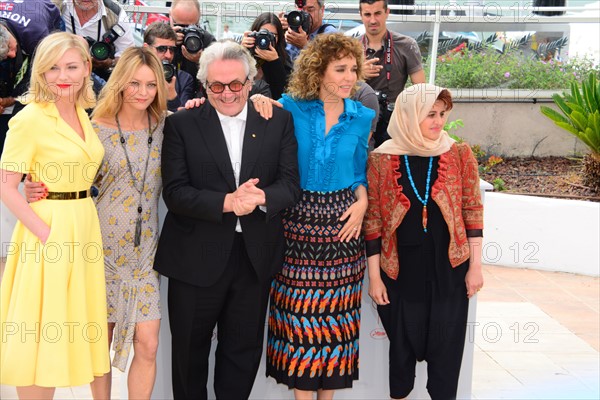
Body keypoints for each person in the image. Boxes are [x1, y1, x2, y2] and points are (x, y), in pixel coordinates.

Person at [153, 40, 300, 400]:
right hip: (194, 257)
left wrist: (261, 197)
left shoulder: (276, 118)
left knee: (243, 353)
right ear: (204, 86)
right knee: (188, 354)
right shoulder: (183, 123)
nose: (228, 93)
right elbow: (175, 192)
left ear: (251, 81)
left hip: (253, 258)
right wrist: (228, 203)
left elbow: (290, 186)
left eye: (236, 84)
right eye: (217, 86)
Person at [24, 46, 169, 400]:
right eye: (134, 83)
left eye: (151, 85)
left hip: (145, 255)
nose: (142, 92)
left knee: (148, 343)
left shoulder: (168, 127)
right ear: (119, 83)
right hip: (99, 250)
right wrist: (33, 184)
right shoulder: (93, 130)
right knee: (97, 349)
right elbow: (58, 169)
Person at [265, 33, 375, 400]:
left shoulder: (363, 117)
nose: (349, 77)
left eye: (353, 69)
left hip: (344, 227)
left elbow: (359, 171)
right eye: (340, 69)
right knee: (299, 322)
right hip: (296, 225)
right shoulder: (291, 106)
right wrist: (254, 98)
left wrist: (362, 201)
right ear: (319, 70)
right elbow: (255, 112)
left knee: (336, 326)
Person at [0, 31, 109, 399]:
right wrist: (45, 234)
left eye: (71, 66)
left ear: (86, 68)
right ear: (41, 74)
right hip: (47, 230)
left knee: (67, 325)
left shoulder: (81, 112)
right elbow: (5, 187)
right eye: (52, 68)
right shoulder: (30, 117)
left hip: (83, 225)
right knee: (38, 328)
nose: (62, 75)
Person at [363, 83, 484, 399]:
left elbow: (473, 211)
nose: (438, 121)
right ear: (408, 115)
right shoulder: (381, 159)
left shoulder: (458, 153)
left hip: (450, 269)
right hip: (400, 270)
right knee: (402, 350)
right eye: (430, 114)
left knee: (447, 352)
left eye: (443, 114)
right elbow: (373, 220)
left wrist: (476, 268)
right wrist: (375, 277)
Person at [358, 0, 426, 147]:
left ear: (387, 13)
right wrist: (357, 74)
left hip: (393, 120)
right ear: (361, 15)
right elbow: (336, 87)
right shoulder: (351, 47)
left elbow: (421, 90)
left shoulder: (406, 45)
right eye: (367, 14)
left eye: (377, 13)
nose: (373, 20)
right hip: (359, 117)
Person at [0, 0, 63, 154]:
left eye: (10, 47)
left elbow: (41, 83)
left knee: (39, 82)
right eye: (5, 54)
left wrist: (11, 100)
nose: (12, 54)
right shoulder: (8, 42)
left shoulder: (38, 36)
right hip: (20, 19)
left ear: (7, 34)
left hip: (45, 20)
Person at [61, 0, 135, 80]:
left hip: (99, 76)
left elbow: (128, 55)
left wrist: (110, 62)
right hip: (61, 72)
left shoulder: (115, 12)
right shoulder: (57, 8)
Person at [143, 21, 195, 112]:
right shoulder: (133, 75)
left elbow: (182, 117)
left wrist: (172, 97)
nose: (168, 55)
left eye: (171, 49)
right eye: (161, 49)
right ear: (146, 48)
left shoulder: (184, 79)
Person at [241, 12, 292, 100]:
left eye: (272, 35)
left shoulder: (283, 59)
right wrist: (241, 51)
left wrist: (275, 62)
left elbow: (285, 95)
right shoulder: (245, 52)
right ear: (254, 33)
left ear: (279, 37)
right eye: (262, 33)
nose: (265, 39)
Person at [169, 0, 216, 93]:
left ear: (199, 19)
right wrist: (167, 44)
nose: (186, 30)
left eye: (192, 26)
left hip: (196, 98)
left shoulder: (207, 40)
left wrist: (201, 61)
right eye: (180, 26)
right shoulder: (159, 37)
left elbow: (217, 78)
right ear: (170, 16)